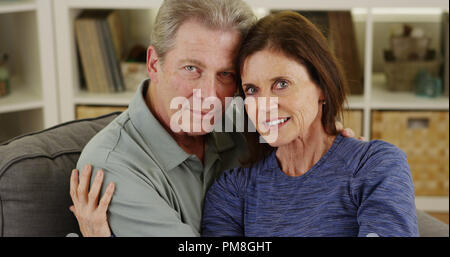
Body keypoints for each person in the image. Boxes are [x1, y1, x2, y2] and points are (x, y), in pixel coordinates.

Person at [69, 0, 358, 237]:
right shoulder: (112, 166)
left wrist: (326, 144)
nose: (209, 96)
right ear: (154, 64)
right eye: (192, 69)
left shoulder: (245, 119)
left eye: (226, 75)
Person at [201, 11, 418, 237]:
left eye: (282, 84)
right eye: (252, 90)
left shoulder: (376, 166)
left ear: (322, 86)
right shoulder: (232, 191)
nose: (263, 106)